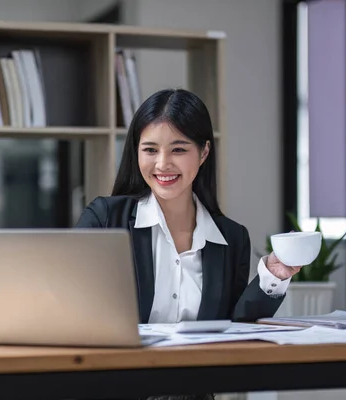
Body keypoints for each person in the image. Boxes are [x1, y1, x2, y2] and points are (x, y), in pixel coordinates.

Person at [76, 87, 301, 326]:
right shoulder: (105, 220)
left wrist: (272, 277)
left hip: (199, 363)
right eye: (150, 150)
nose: (162, 164)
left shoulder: (232, 238)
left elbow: (237, 328)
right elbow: (71, 301)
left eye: (179, 150)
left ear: (203, 152)